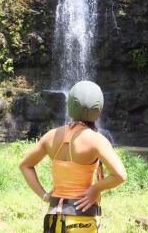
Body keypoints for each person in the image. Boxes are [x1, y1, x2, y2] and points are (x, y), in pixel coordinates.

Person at [19, 81, 127, 233]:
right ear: (98, 109)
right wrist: (95, 189)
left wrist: (44, 195)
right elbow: (120, 175)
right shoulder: (96, 140)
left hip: (54, 218)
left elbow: (25, 165)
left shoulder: (51, 136)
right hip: (82, 218)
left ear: (70, 105)